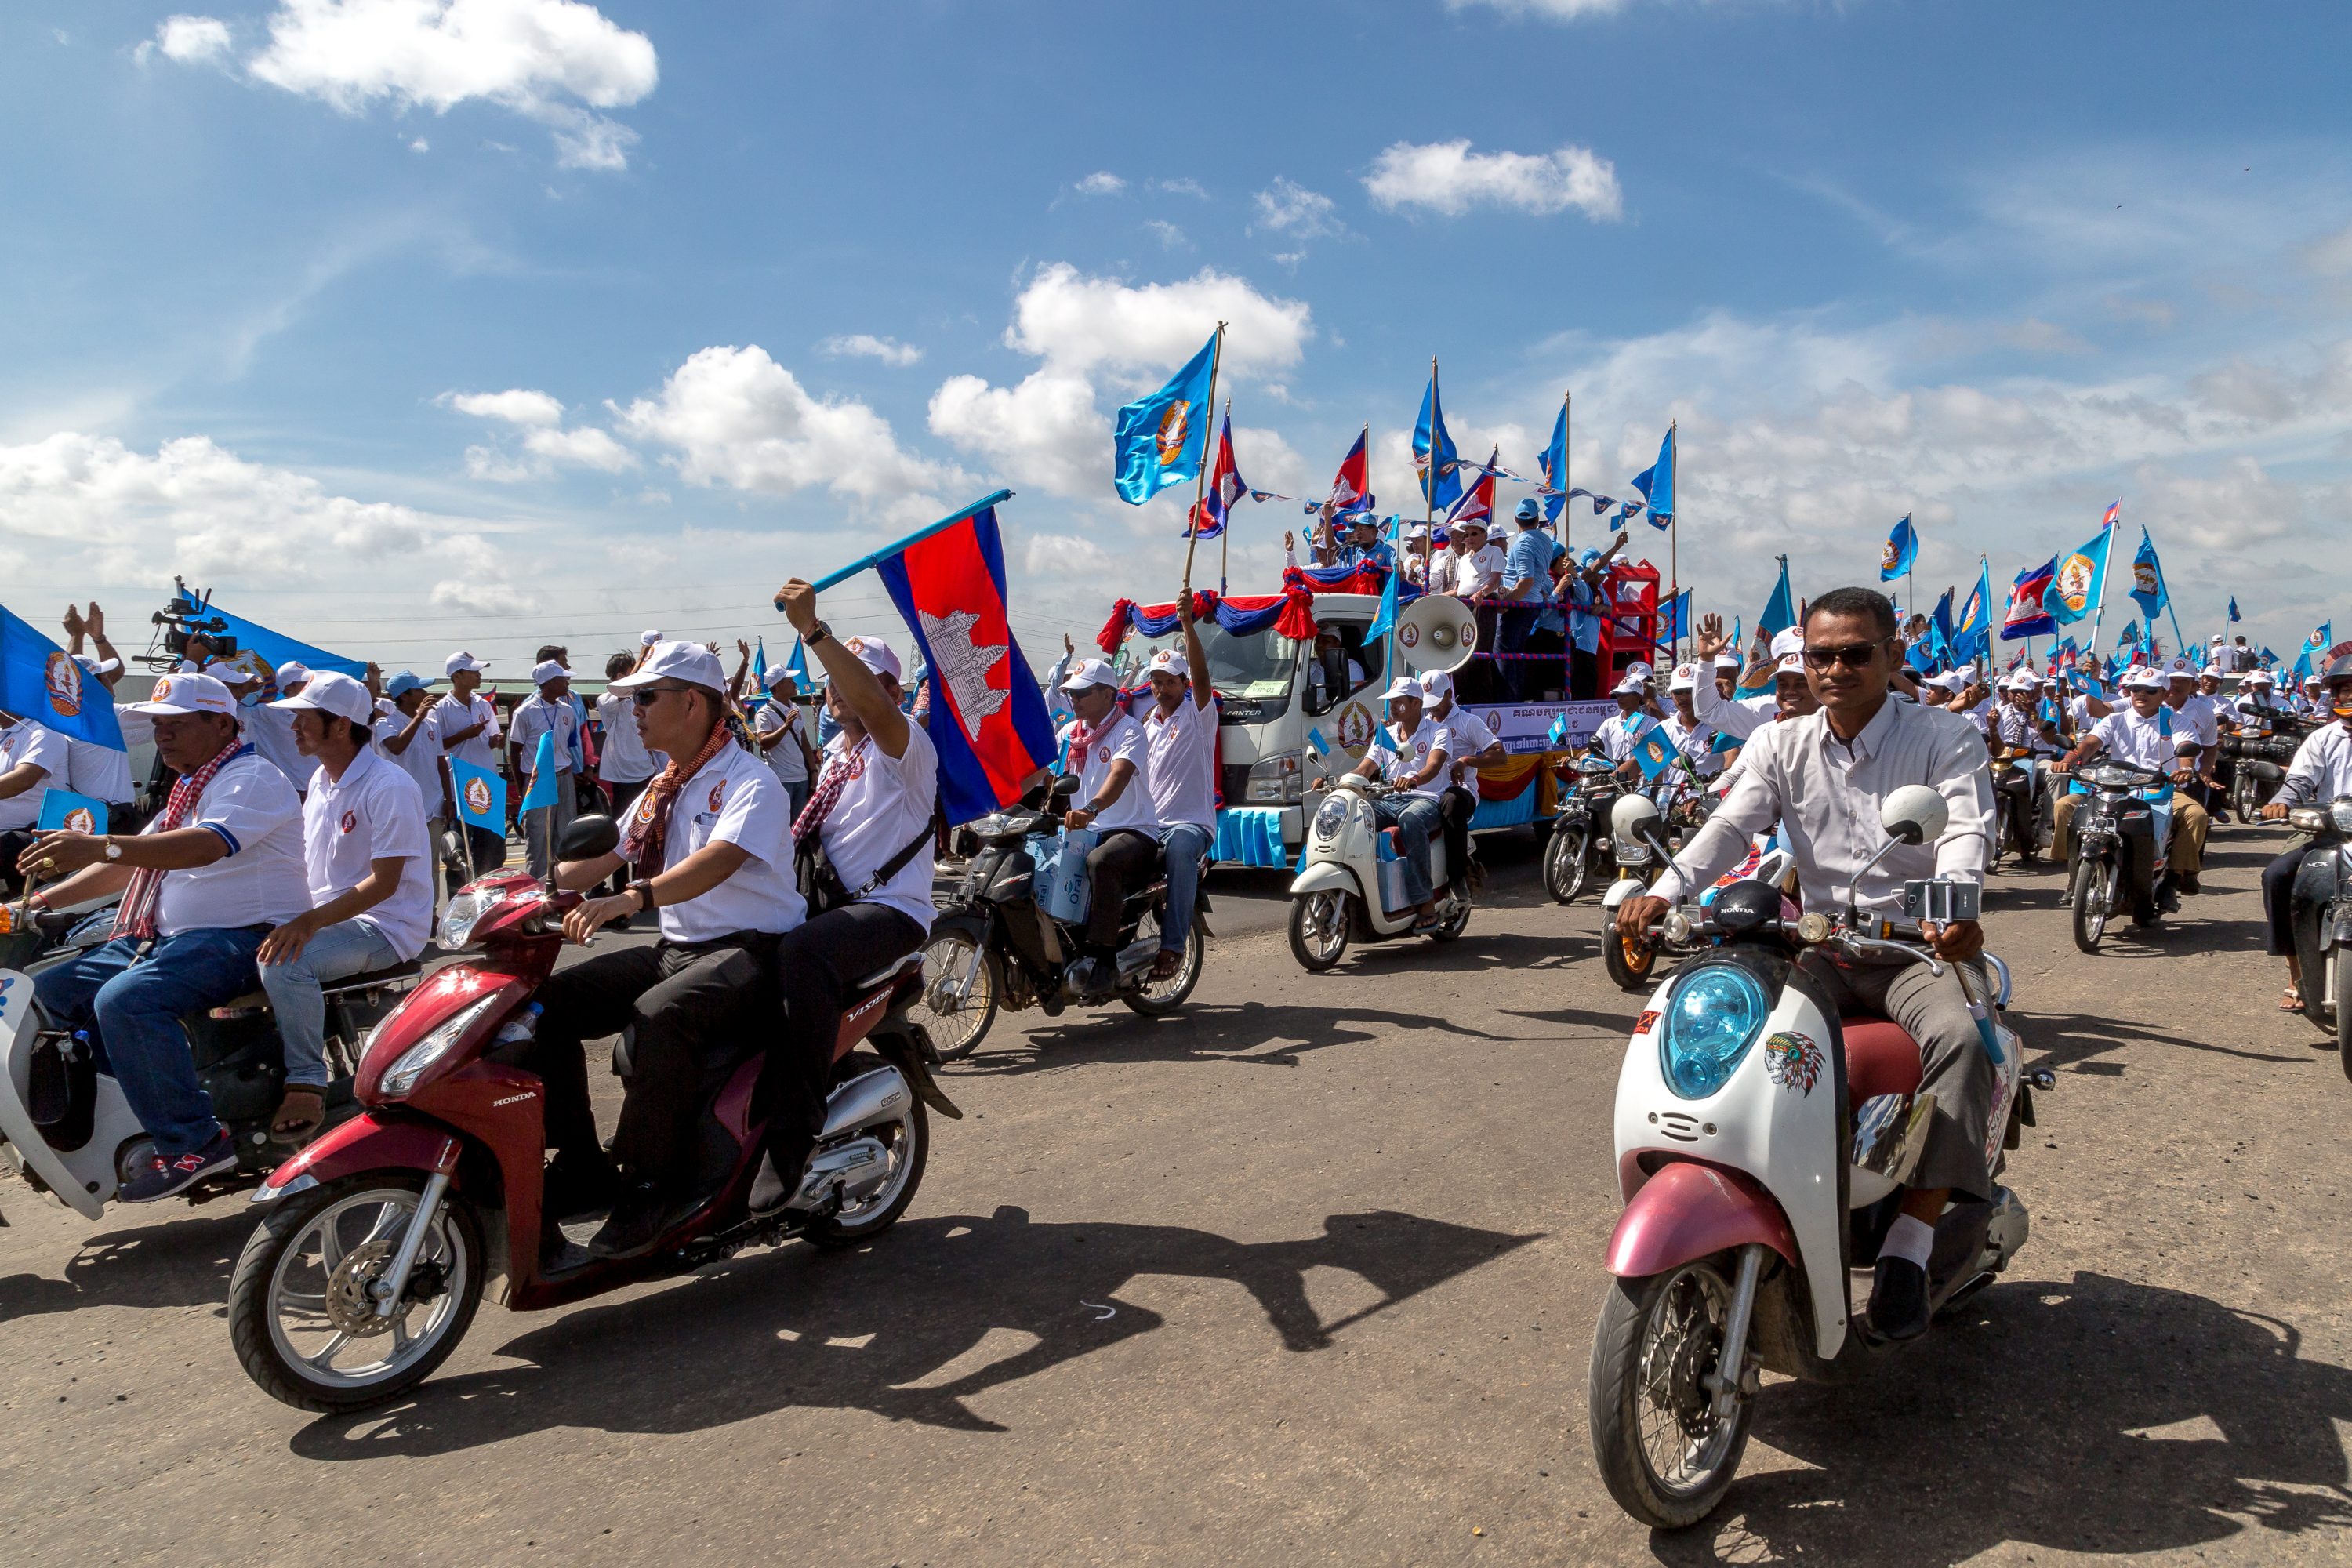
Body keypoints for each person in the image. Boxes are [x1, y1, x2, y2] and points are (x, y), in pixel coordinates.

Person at [1617, 586, 1998, 1342]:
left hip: (1913, 947)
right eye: (1821, 655)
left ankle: (1910, 1241)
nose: (1834, 669)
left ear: (1892, 656)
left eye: (1855, 654)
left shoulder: (1943, 735)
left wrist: (1952, 909)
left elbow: (1962, 832)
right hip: (1821, 943)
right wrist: (1664, 891)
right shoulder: (1778, 742)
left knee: (1960, 1039)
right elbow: (1732, 826)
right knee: (1727, 1033)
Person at [504, 641, 804, 1258]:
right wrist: (523, 893)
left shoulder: (751, 783)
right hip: (680, 947)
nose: (633, 710)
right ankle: (582, 1163)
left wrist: (630, 898)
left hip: (751, 952)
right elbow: (600, 859)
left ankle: (649, 1188)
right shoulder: (662, 787)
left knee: (658, 1015)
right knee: (544, 1003)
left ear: (691, 703)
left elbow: (715, 863)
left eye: (645, 697)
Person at [16, 673, 310, 1200]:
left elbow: (203, 847)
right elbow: (128, 865)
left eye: (176, 725)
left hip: (243, 938)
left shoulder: (252, 778)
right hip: (170, 938)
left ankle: (194, 1142)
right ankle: (116, 1124)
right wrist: (33, 904)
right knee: (45, 995)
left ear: (223, 725)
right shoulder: (190, 790)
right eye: (157, 726)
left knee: (126, 1001)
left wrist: (101, 845)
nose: (162, 737)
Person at [764, 586, 938, 1210]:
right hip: (833, 904)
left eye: (856, 678)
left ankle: (793, 1130)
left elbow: (876, 709)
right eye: (832, 679)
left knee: (803, 953)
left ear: (891, 691)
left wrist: (815, 632)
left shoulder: (905, 744)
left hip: (892, 911)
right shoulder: (838, 752)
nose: (837, 688)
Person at [253, 673, 432, 1142]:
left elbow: (384, 884)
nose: (294, 727)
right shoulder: (319, 779)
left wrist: (307, 922)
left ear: (340, 726)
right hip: (330, 918)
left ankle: (306, 1081)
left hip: (386, 925)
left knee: (285, 964)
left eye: (303, 718)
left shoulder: (389, 785)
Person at [2054, 665, 2211, 899]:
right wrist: (2069, 759)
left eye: (2150, 690)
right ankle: (2075, 873)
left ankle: (2174, 878)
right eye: (2136, 689)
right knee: (2063, 805)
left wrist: (2186, 768)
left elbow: (2186, 749)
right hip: (2113, 787)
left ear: (2165, 694)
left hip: (2160, 788)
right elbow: (2090, 744)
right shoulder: (2116, 719)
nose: (2141, 694)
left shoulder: (2175, 721)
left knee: (2196, 815)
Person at [1055, 655, 1159, 997]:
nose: (1075, 699)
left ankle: (1104, 957)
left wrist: (1091, 809)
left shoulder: (1129, 730)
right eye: (1071, 693)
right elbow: (1043, 773)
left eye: (1082, 693)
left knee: (1101, 861)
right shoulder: (1070, 733)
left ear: (1108, 694)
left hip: (1132, 831)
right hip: (1085, 832)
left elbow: (1119, 774)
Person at [2259, 652, 2352, 1011]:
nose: (2350, 696)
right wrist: (2281, 802)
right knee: (2278, 876)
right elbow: (2299, 780)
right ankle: (2296, 970)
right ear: (2335, 695)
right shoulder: (2322, 738)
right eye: (2345, 690)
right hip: (2329, 829)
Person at [1138, 602, 1219, 982]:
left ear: (1185, 684)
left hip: (1190, 824)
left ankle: (1173, 944)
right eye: (1157, 681)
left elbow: (1203, 677)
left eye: (1170, 681)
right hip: (1150, 824)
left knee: (1181, 850)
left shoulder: (1198, 715)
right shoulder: (1147, 725)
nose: (1162, 689)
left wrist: (1187, 624)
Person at [1358, 676, 1451, 929]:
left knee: (1410, 820)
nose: (1393, 708)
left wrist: (1413, 779)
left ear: (1416, 703)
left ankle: (1424, 902)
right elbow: (1366, 767)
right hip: (1390, 800)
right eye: (1391, 703)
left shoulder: (1438, 731)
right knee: (1356, 816)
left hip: (1426, 800)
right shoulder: (1386, 734)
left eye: (1399, 702)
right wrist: (1345, 782)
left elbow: (1433, 766)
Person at [428, 652, 505, 887]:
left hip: (486, 784)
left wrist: (496, 740)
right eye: (474, 672)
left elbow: (491, 738)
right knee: (460, 851)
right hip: (460, 786)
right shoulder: (440, 709)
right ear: (457, 676)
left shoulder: (483, 704)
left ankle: (488, 894)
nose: (479, 675)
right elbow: (435, 747)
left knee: (491, 848)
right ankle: (459, 898)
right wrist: (465, 734)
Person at [1425, 668, 1503, 895]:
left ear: (1449, 694)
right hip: (1427, 789)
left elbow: (1500, 755)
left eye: (1437, 701)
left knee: (1451, 802)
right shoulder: (1422, 723)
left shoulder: (1469, 722)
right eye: (1429, 702)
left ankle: (1457, 877)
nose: (1432, 707)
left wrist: (1467, 760)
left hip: (1460, 790)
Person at [510, 659, 580, 879]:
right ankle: (536, 888)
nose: (567, 682)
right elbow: (514, 751)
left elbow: (569, 745)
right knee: (538, 840)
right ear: (549, 683)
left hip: (564, 777)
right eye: (562, 679)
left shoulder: (568, 710)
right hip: (538, 781)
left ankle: (565, 885)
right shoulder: (524, 712)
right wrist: (522, 787)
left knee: (566, 836)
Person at [1989, 671, 2060, 867]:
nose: (2018, 696)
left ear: (2033, 694)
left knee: (2055, 774)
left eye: (2024, 692)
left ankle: (2046, 825)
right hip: (2006, 759)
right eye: (2014, 692)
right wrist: (1992, 726)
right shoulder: (1999, 712)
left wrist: (2033, 714)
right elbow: (1994, 744)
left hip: (2037, 758)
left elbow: (2050, 739)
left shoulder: (2043, 710)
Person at [1495, 503, 1555, 700]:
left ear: (1516, 520)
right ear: (1537, 520)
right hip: (1533, 602)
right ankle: (1515, 697)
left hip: (1520, 603)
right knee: (1516, 652)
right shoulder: (1545, 540)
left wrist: (1506, 604)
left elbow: (1526, 581)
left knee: (1503, 651)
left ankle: (1507, 700)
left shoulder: (1522, 545)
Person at [753, 670, 818, 818]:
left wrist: (813, 770)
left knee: (800, 823)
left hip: (802, 777)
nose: (795, 685)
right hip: (782, 779)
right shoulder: (765, 713)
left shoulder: (795, 709)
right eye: (790, 682)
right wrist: (786, 726)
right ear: (778, 685)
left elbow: (804, 742)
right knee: (782, 821)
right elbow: (765, 743)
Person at [245, 662, 315, 790]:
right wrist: (244, 688)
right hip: (291, 791)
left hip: (321, 788)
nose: (311, 685)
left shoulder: (322, 711)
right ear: (288, 689)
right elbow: (230, 710)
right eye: (305, 683)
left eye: (311, 680)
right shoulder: (265, 713)